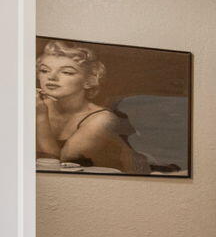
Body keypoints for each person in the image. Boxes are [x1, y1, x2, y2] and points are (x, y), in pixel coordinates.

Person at [34, 38, 147, 172]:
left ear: (89, 80)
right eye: (44, 70)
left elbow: (57, 166)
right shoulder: (33, 104)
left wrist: (40, 116)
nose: (51, 77)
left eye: (66, 72)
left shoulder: (103, 119)